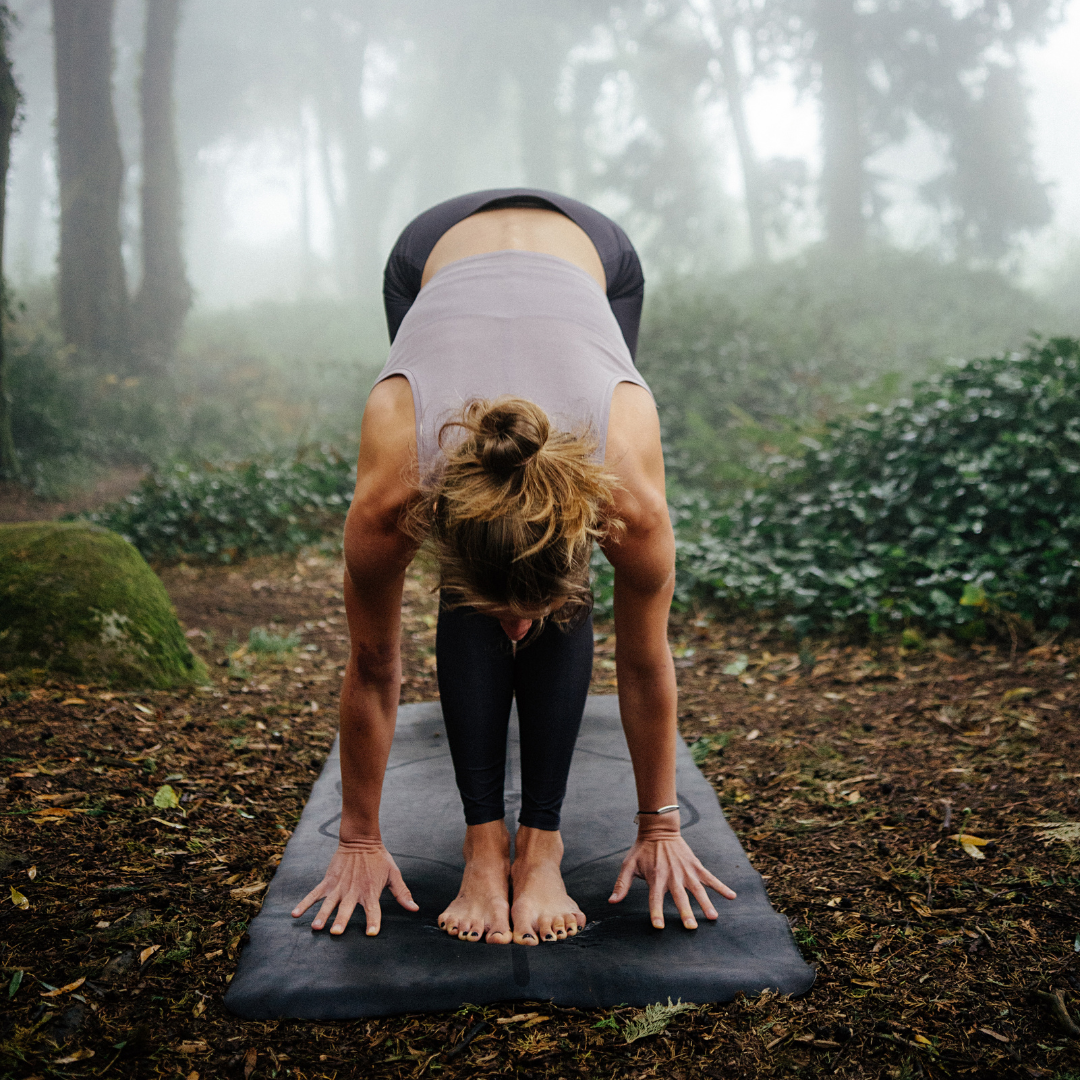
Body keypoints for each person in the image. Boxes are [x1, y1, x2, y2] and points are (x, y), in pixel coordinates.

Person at [291, 189, 736, 946]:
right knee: (489, 558)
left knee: (524, 580)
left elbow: (642, 659)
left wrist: (660, 824)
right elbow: (371, 665)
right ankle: (482, 843)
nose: (520, 629)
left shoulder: (626, 491)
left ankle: (542, 848)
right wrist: (359, 837)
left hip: (592, 254)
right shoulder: (396, 488)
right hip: (430, 252)